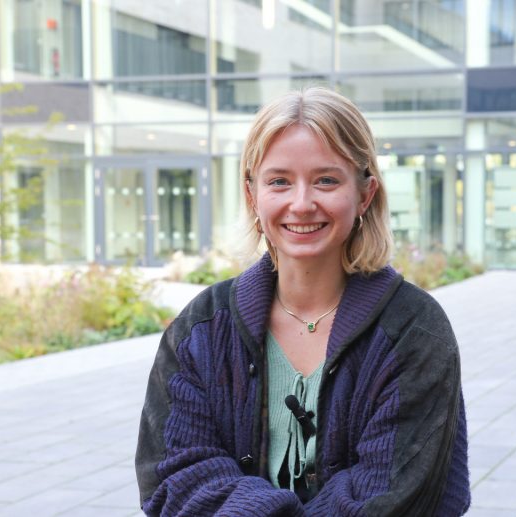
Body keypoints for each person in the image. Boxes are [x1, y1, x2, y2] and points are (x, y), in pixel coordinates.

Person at [135, 87, 469, 516]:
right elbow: (174, 476)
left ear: (364, 194)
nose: (302, 203)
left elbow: (395, 496)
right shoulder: (202, 329)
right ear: (253, 194)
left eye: (326, 180)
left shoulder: (414, 332)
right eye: (279, 181)